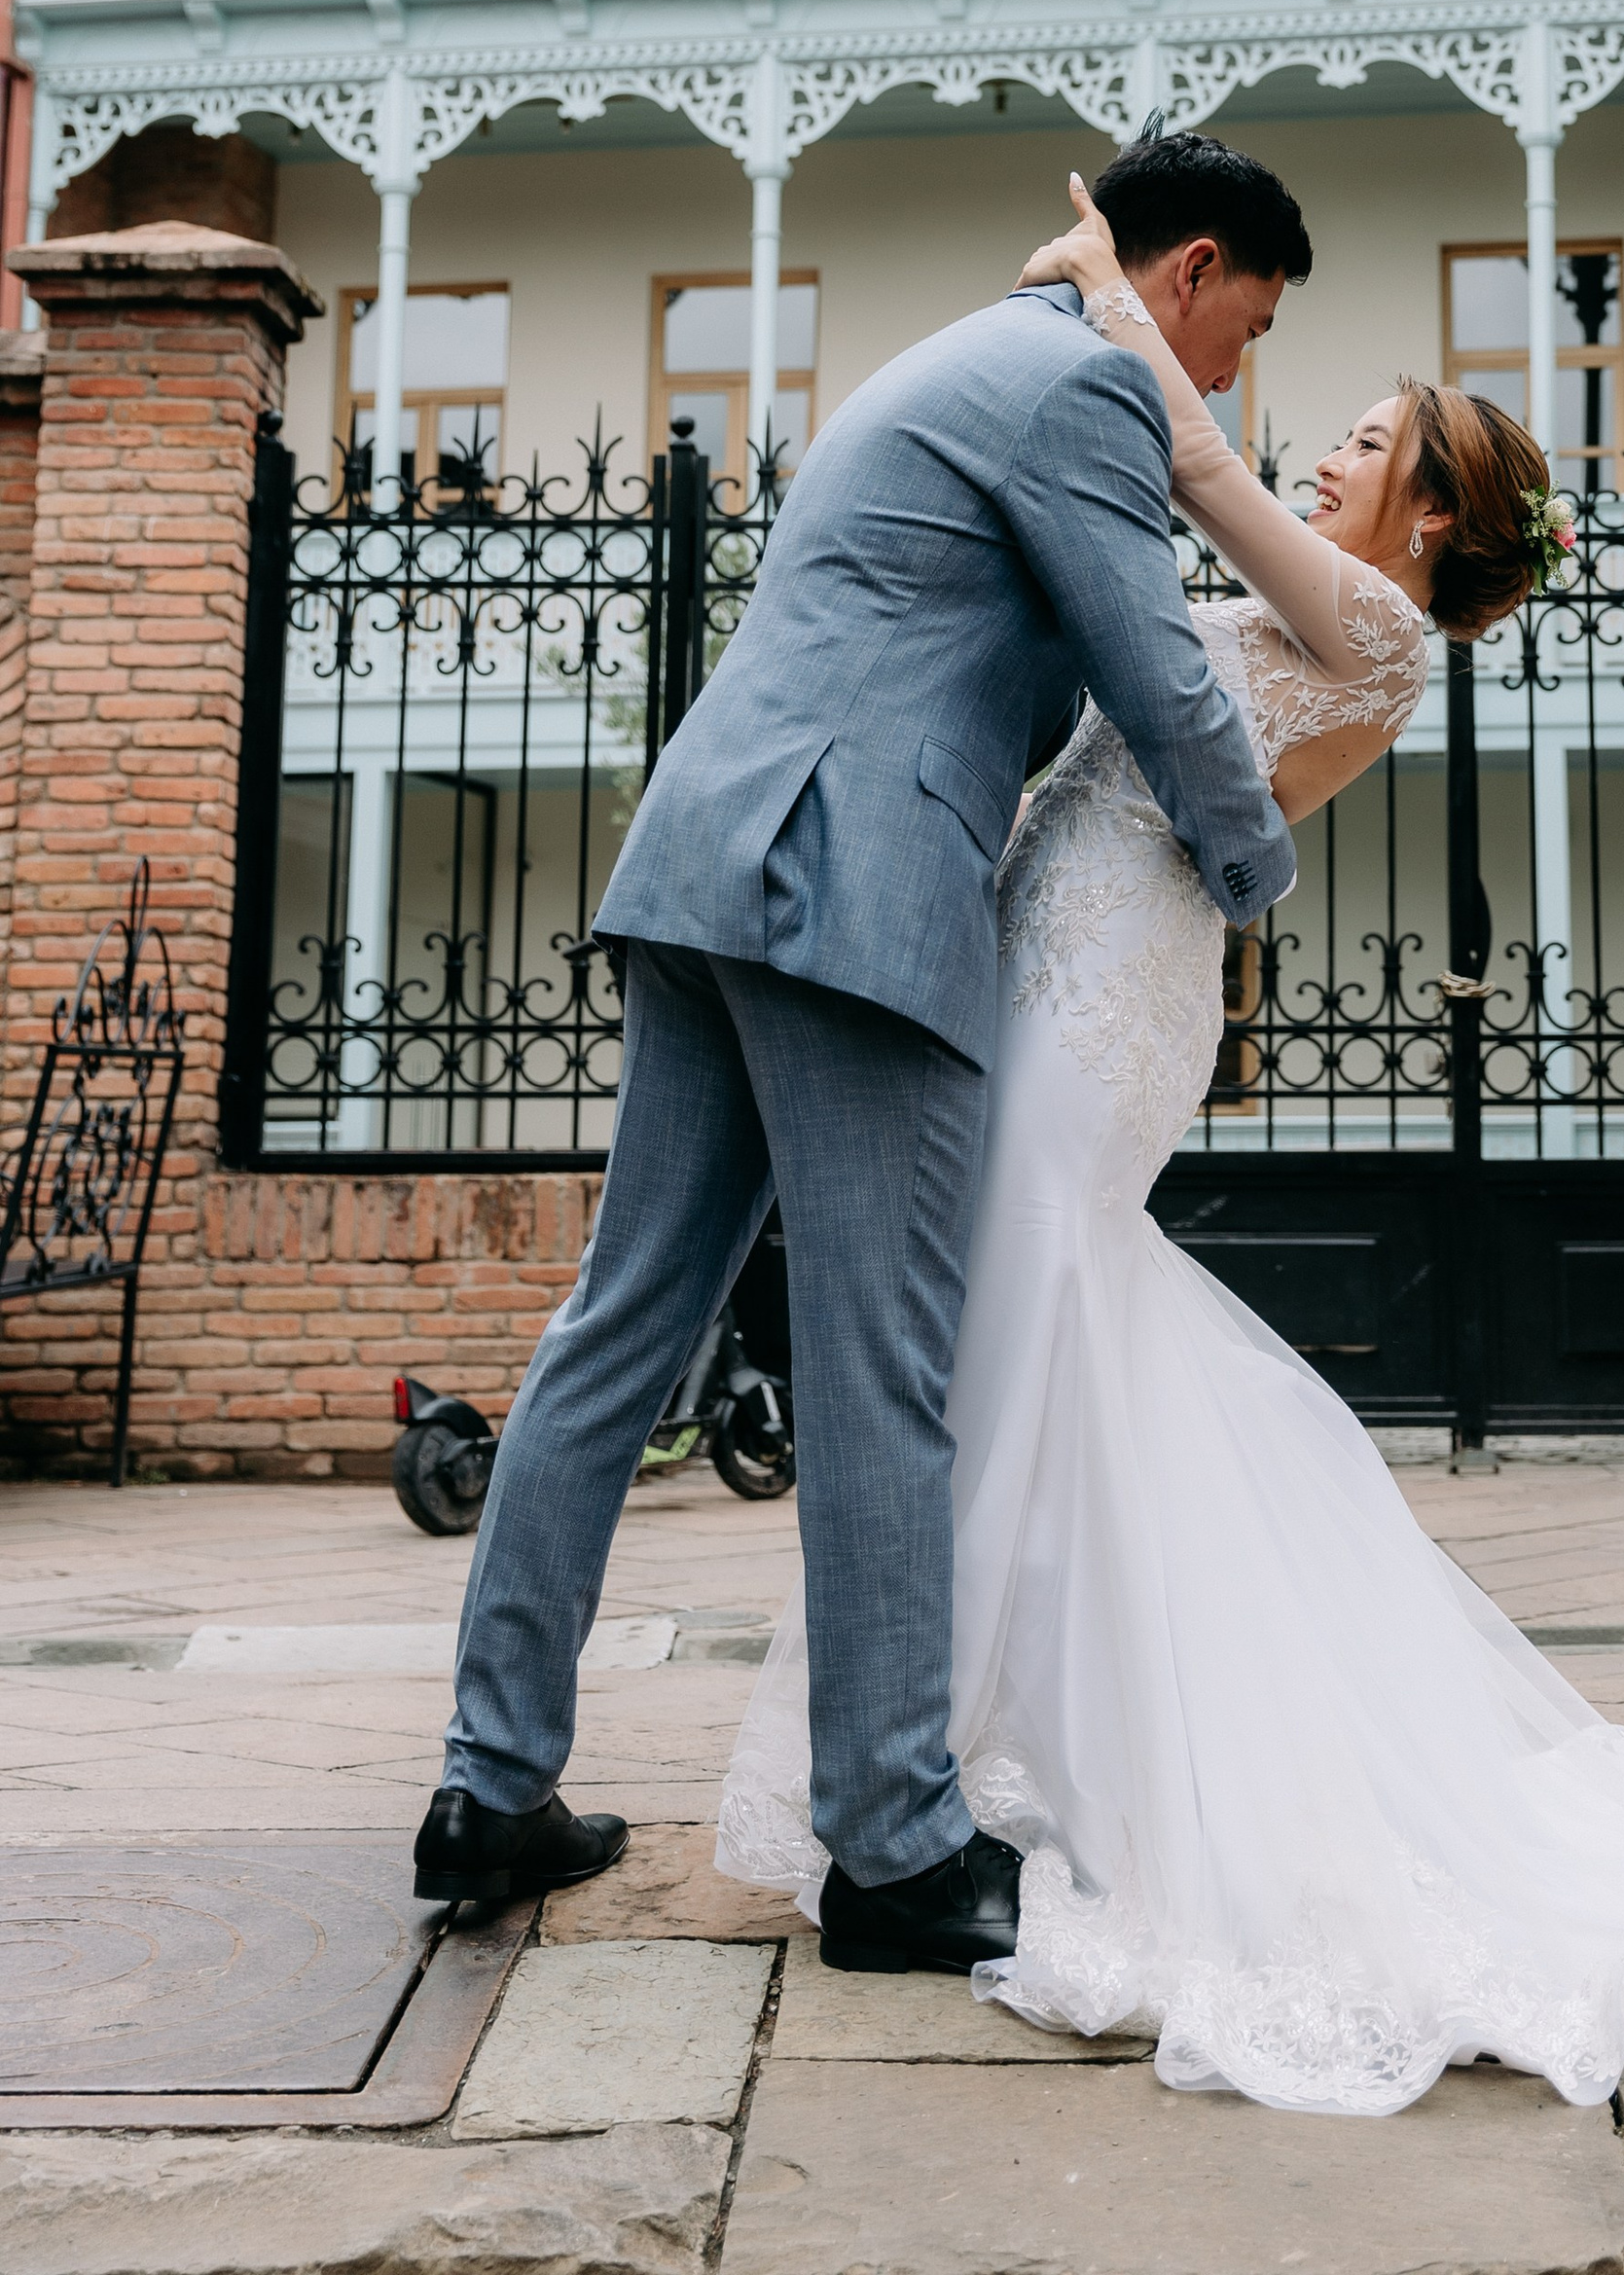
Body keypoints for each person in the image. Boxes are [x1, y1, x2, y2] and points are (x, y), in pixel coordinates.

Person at [714, 178, 1624, 2115]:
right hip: (1052, 959)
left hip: (1106, 1007)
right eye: (1322, 428)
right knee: (1013, 1349)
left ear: (1424, 514)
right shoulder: (1291, 601)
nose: (1312, 446)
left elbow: (1180, 454)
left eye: (1358, 440)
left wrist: (1105, 286)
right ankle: (967, 1753)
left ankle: (956, 1770)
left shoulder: (1373, 622)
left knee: (1003, 1330)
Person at [411, 130, 1311, 1979]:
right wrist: (1258, 866)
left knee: (615, 1330)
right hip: (853, 892)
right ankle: (895, 1850)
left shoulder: (959, 351)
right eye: (1246, 328)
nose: (1231, 375)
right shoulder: (1082, 388)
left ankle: (489, 1784)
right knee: (885, 1367)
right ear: (1194, 268)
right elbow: (1160, 671)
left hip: (705, 857)